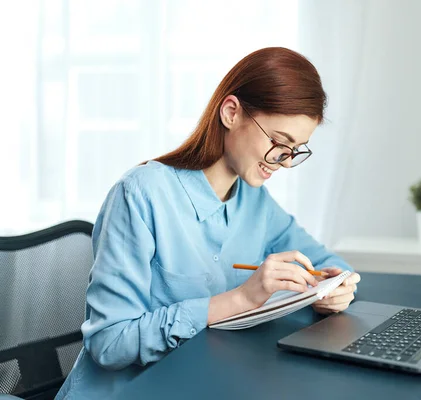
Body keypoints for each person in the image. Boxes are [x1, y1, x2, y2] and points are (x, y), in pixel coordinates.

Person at [56, 47, 361, 399]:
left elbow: (330, 264)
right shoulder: (141, 194)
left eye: (297, 150)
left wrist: (332, 290)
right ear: (231, 112)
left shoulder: (254, 199)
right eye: (279, 142)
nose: (286, 162)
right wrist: (240, 299)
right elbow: (110, 343)